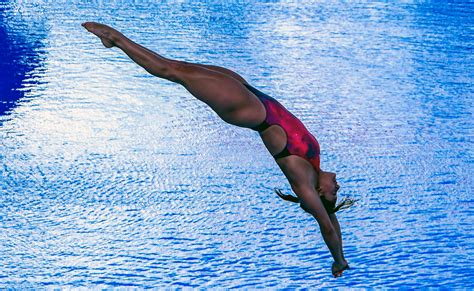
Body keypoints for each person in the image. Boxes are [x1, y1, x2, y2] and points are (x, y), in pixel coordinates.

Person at [82, 22, 356, 277]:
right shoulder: (315, 169)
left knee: (172, 71)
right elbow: (332, 218)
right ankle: (115, 41)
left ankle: (114, 38)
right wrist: (335, 228)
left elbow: (328, 228)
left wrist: (338, 259)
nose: (337, 185)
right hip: (252, 94)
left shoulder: (305, 185)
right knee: (180, 66)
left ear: (320, 193)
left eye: (335, 190)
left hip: (248, 109)